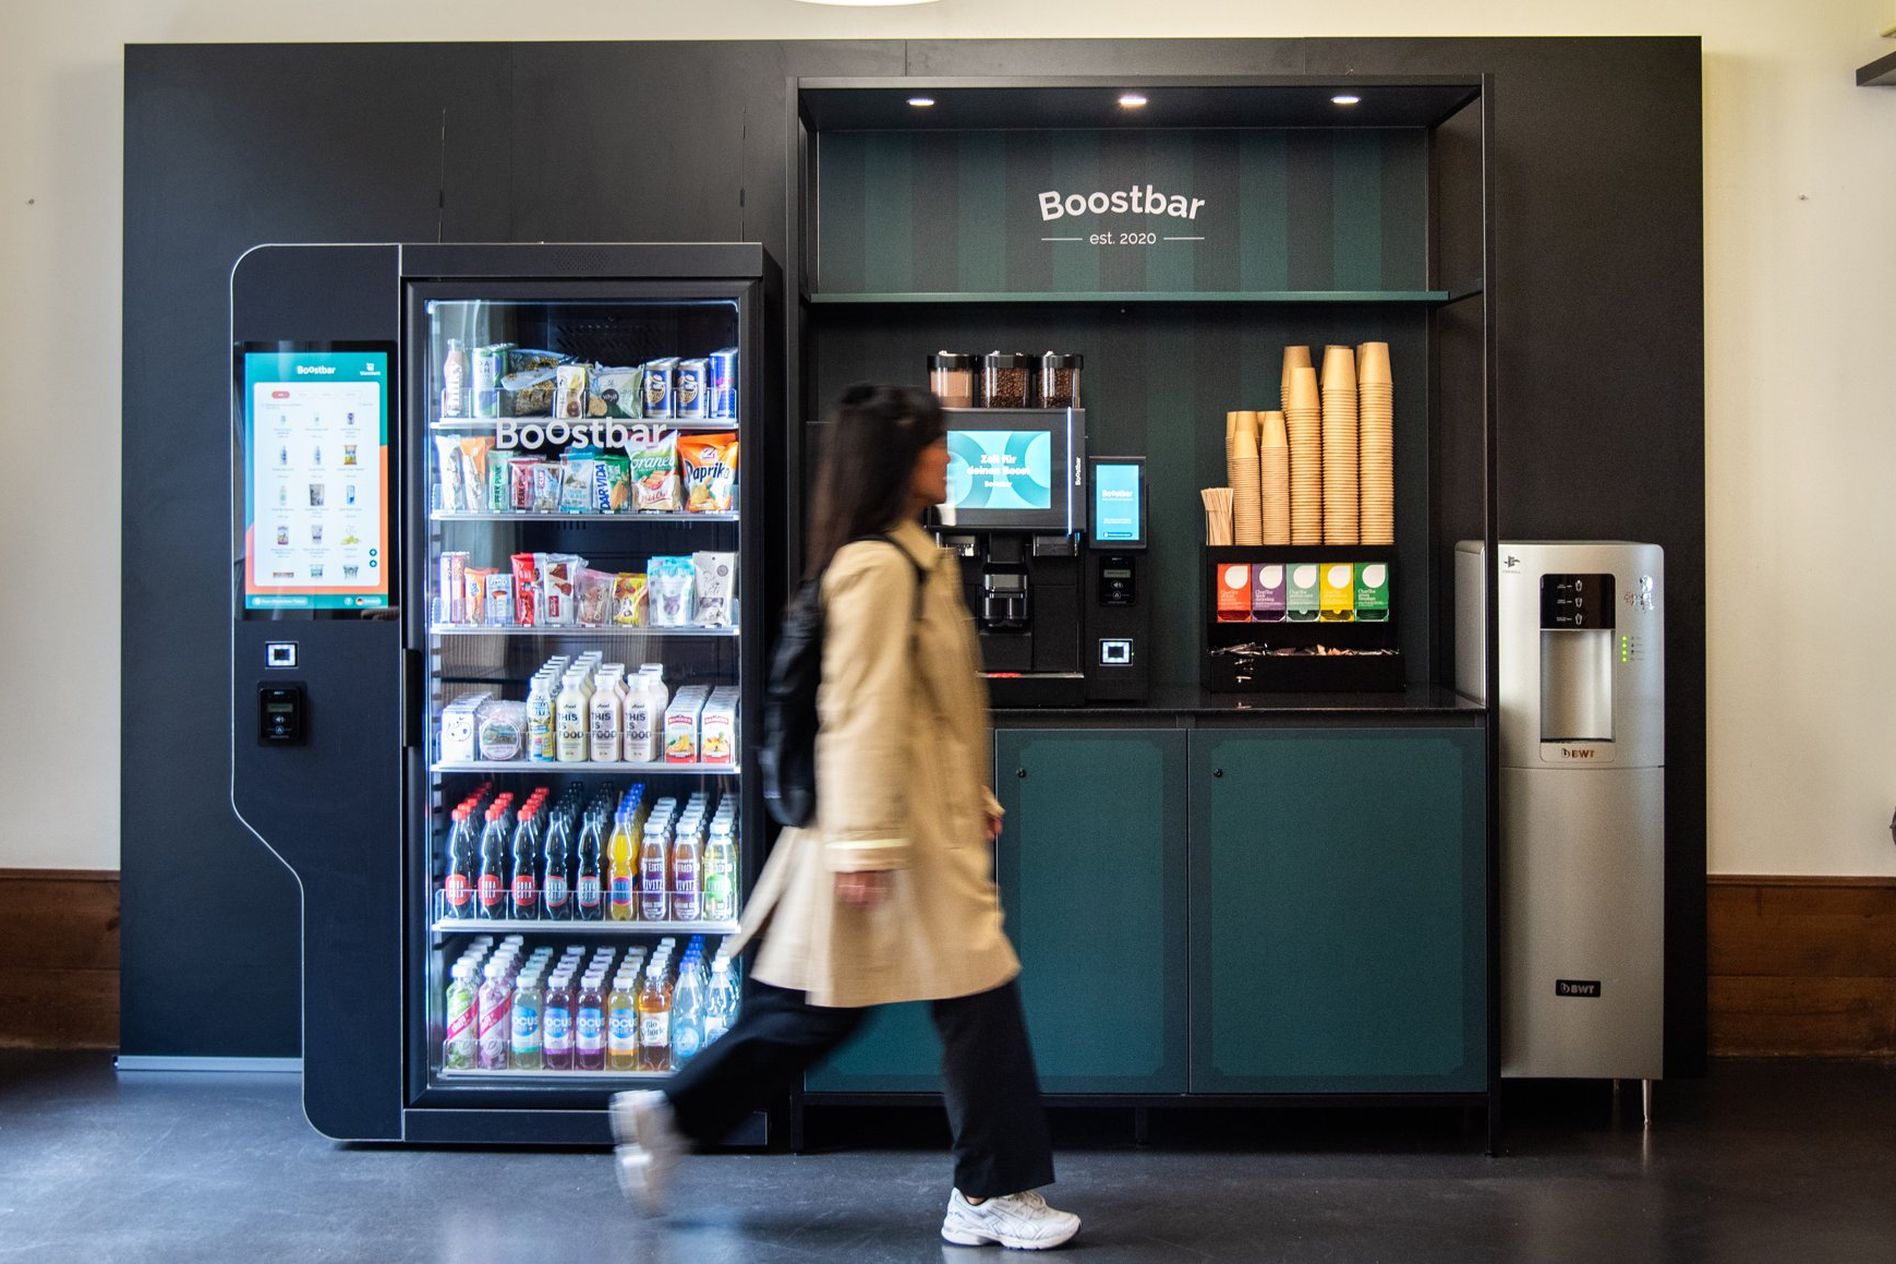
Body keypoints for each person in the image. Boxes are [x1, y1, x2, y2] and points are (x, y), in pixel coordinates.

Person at [611, 384, 1080, 1250]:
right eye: (937, 444)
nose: (950, 456)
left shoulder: (907, 556)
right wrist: (864, 843)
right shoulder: (878, 567)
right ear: (901, 463)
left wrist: (973, 793)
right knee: (959, 998)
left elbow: (931, 706)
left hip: (909, 826)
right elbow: (858, 709)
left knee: (818, 1010)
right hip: (888, 835)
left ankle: (670, 1116)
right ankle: (990, 1194)